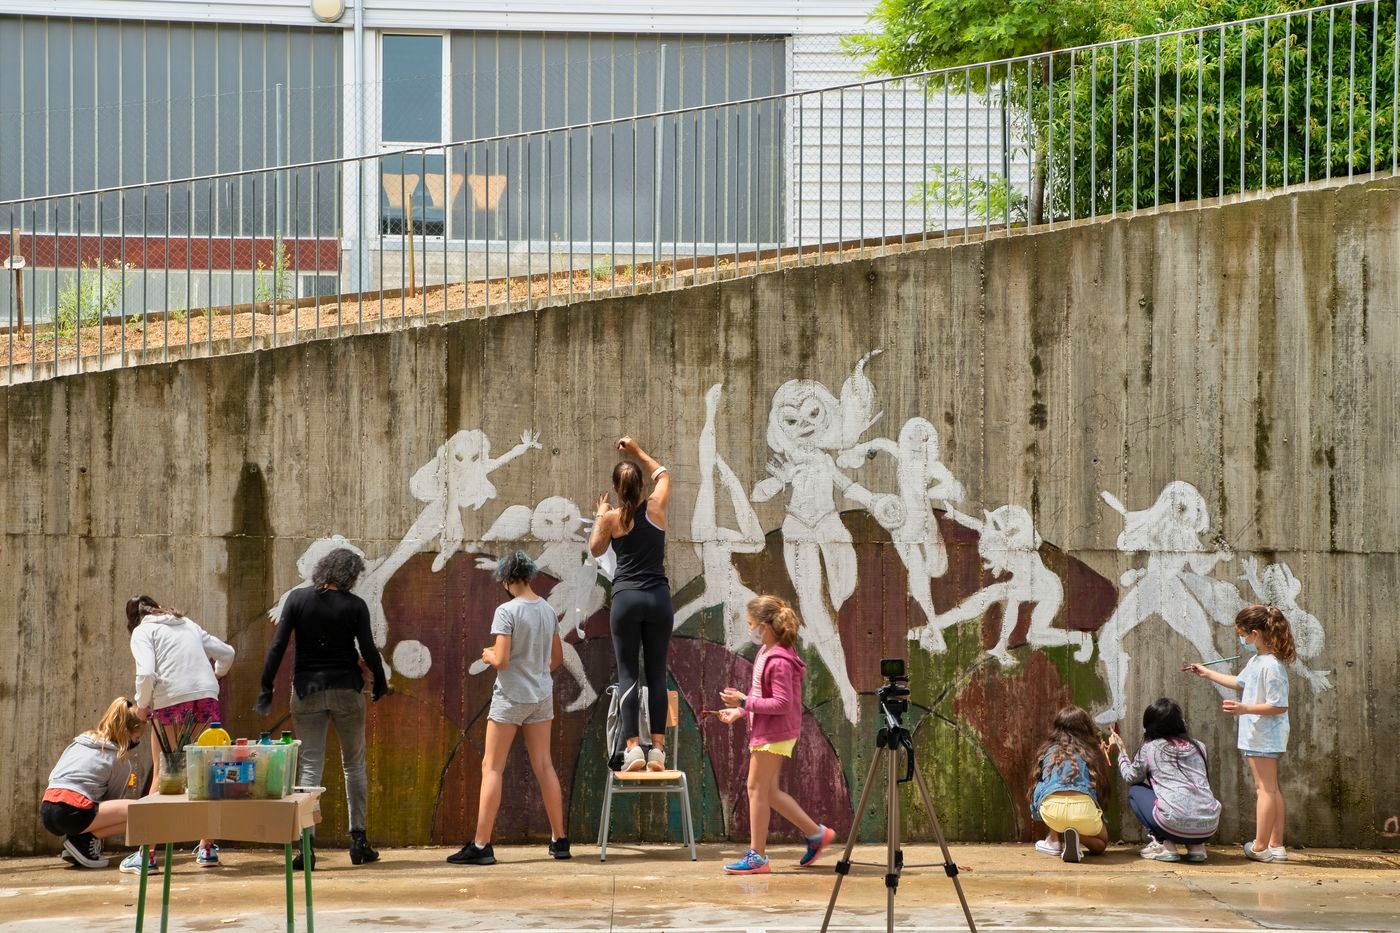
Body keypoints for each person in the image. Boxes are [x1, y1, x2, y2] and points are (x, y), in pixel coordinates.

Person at [256, 548, 389, 869]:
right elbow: (368, 649)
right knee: (353, 764)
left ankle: (306, 846)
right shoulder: (355, 606)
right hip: (346, 689)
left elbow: (277, 646)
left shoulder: (298, 600)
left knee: (310, 766)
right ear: (350, 575)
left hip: (307, 691)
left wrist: (265, 687)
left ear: (323, 569)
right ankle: (359, 840)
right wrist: (380, 681)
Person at [447, 550, 569, 866]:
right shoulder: (547, 610)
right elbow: (557, 660)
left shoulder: (506, 611)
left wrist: (487, 656)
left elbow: (500, 660)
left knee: (492, 767)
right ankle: (560, 840)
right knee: (544, 765)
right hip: (541, 697)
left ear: (506, 579)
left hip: (511, 698)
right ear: (529, 576)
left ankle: (482, 844)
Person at [716, 596, 835, 875]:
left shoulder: (779, 659)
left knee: (755, 787)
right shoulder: (767, 652)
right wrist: (740, 711)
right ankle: (816, 835)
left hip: (774, 732)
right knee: (768, 791)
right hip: (770, 730)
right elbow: (760, 696)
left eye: (750, 624)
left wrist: (744, 702)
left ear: (765, 626)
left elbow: (782, 703)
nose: (749, 630)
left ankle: (757, 857)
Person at [127, 595, 235, 871]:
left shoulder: (142, 631)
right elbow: (227, 653)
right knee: (207, 774)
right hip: (206, 698)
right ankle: (207, 849)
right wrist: (217, 675)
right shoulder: (186, 623)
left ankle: (147, 854)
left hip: (171, 701)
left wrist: (141, 707)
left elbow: (146, 673)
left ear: (133, 619)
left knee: (165, 776)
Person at [589, 435, 674, 772]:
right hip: (658, 598)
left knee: (628, 673)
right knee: (656, 673)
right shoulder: (654, 508)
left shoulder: (611, 520)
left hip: (626, 598)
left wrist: (601, 514)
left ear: (616, 487)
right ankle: (658, 750)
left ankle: (632, 748)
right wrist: (639, 451)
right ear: (640, 486)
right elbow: (664, 475)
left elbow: (596, 549)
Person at [1188, 604, 1294, 863]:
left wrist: (1244, 707)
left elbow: (1279, 704)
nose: (1242, 639)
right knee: (1271, 788)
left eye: (1243, 634)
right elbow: (1239, 682)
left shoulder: (1271, 666)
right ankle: (1276, 844)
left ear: (1256, 633)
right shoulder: (1258, 660)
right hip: (1259, 734)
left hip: (1264, 735)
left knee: (1265, 790)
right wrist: (1207, 673)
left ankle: (1260, 847)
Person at [1107, 698, 1221, 863]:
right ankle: (1197, 848)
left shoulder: (1150, 748)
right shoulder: (1199, 747)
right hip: (1208, 825)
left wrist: (1122, 752)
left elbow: (1130, 776)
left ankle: (1164, 844)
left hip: (1172, 824)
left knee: (1136, 791)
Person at [41, 697, 146, 868]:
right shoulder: (120, 760)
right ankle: (83, 840)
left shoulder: (80, 742)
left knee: (92, 808)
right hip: (73, 812)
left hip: (47, 809)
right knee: (142, 812)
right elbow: (112, 801)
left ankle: (77, 840)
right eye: (137, 737)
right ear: (128, 734)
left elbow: (55, 776)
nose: (138, 742)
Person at [1029, 705, 1111, 863]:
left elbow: (1037, 785)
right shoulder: (1092, 753)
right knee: (1101, 844)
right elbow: (1098, 787)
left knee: (1051, 787)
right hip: (1083, 812)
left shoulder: (1047, 751)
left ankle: (1053, 840)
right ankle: (1076, 836)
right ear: (1086, 728)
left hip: (1052, 813)